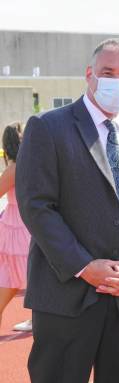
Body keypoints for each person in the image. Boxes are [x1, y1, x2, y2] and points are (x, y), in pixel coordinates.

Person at [16, 38, 119, 383]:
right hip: (67, 298)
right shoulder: (48, 127)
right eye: (108, 73)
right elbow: (37, 206)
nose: (118, 81)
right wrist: (84, 266)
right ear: (89, 75)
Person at [0, 123, 31, 331]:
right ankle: (36, 319)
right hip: (25, 224)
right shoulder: (30, 163)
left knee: (11, 277)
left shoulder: (14, 168)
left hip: (15, 229)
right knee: (30, 276)